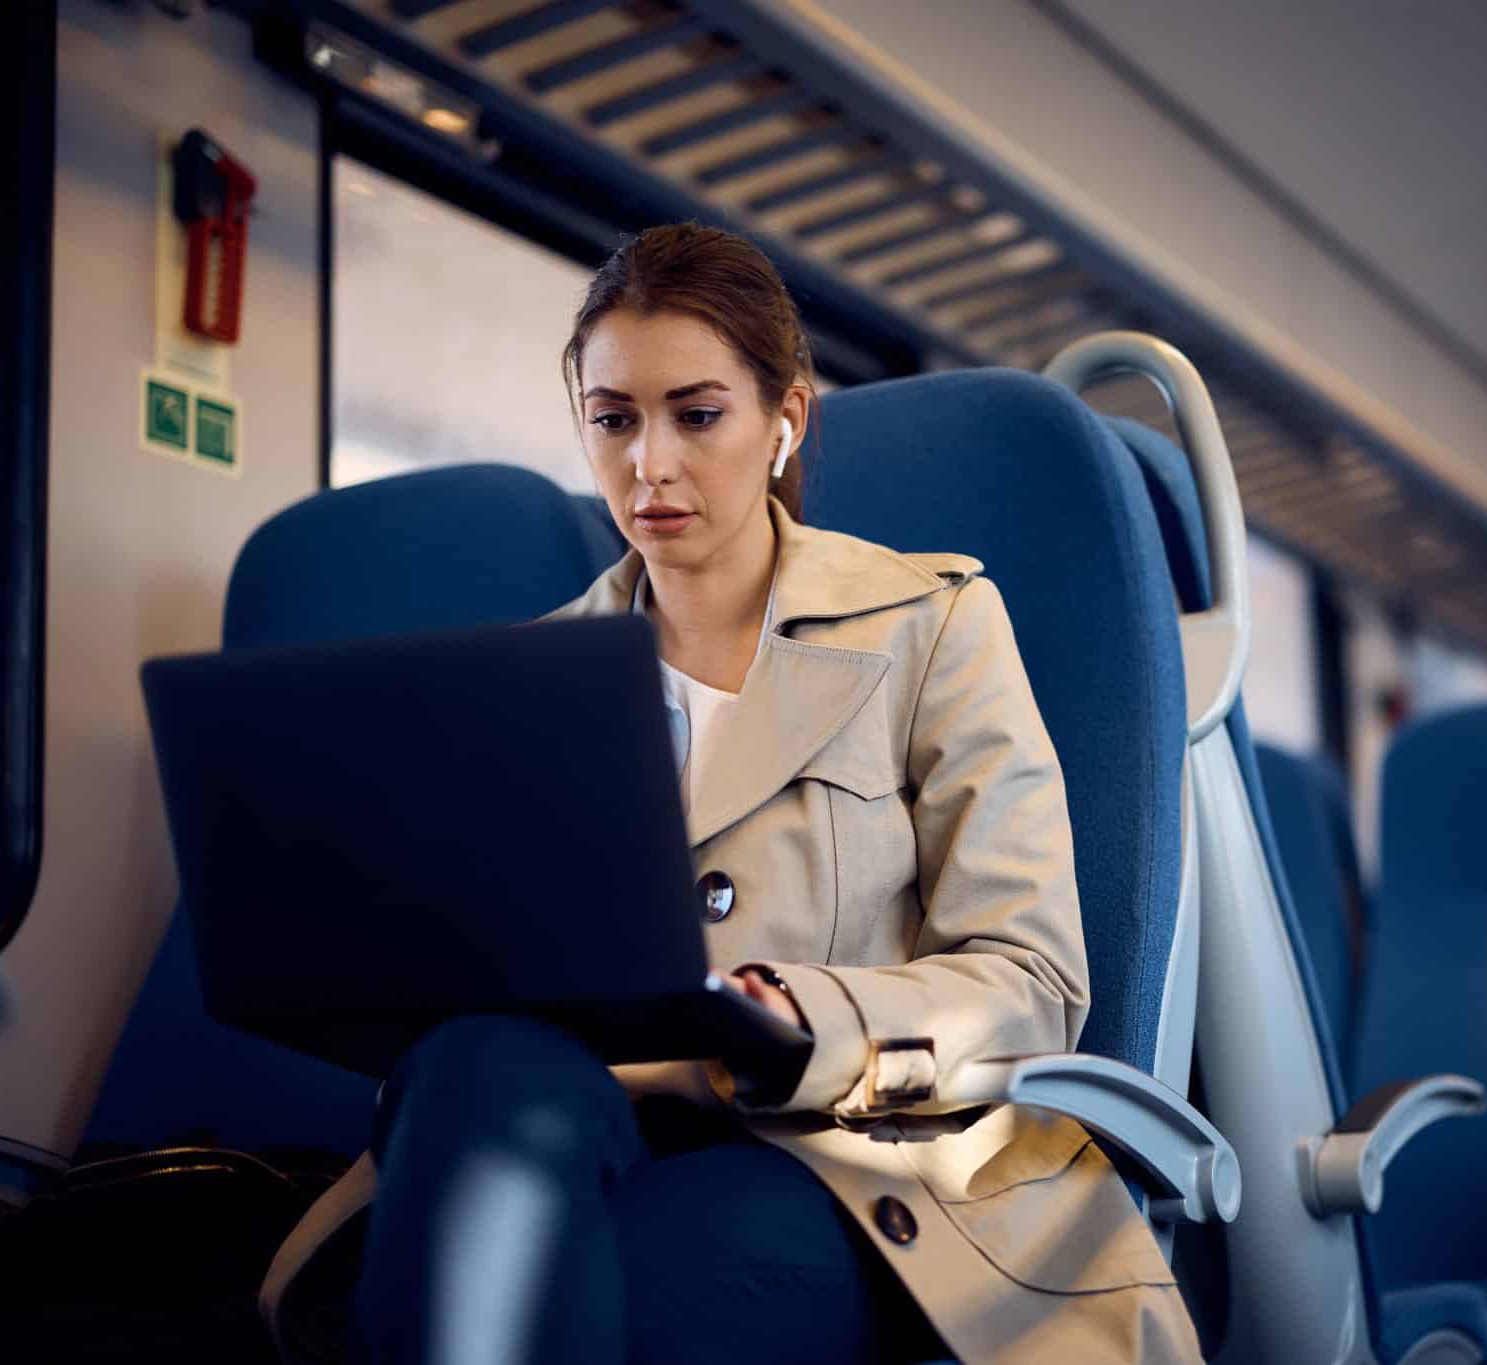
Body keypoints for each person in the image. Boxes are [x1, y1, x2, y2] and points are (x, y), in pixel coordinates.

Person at [259, 223, 1201, 1365]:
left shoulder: (931, 626)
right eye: (613, 419)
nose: (648, 463)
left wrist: (807, 1022)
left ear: (783, 420)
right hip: (570, 1125)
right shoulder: (523, 676)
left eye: (695, 416)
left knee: (551, 1296)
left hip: (844, 1158)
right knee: (471, 1067)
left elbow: (1030, 982)